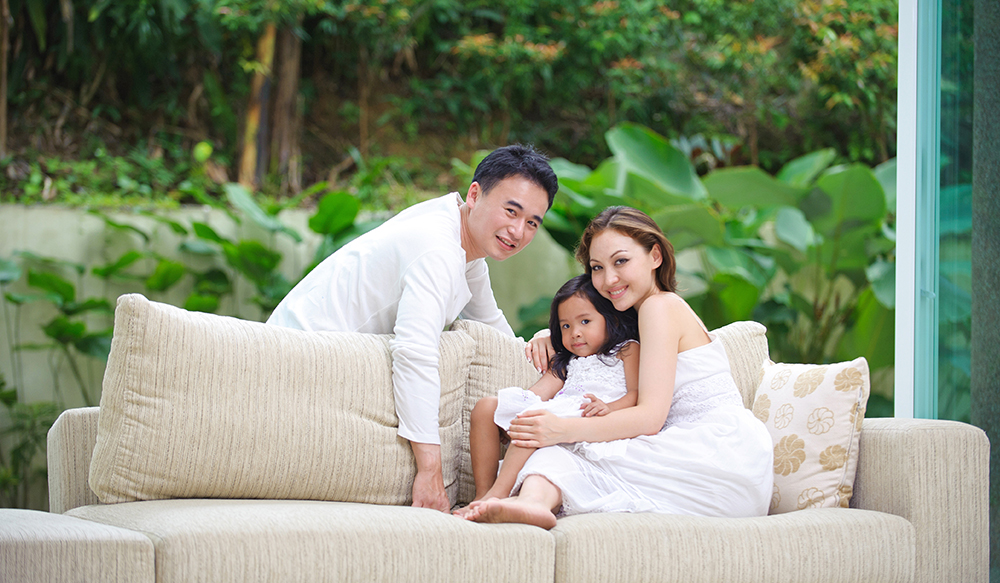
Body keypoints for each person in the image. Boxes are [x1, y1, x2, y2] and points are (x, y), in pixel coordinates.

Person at [266, 145, 558, 513]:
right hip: (298, 368)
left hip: (319, 363)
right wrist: (430, 470)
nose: (518, 231)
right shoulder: (438, 249)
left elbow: (494, 330)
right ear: (474, 194)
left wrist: (543, 342)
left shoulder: (462, 242)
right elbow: (415, 353)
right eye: (511, 211)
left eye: (532, 222)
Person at [459, 206, 774, 529]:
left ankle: (517, 499)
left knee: (560, 443)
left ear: (655, 256)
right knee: (555, 454)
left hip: (717, 457)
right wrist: (549, 335)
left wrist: (561, 428)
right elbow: (595, 332)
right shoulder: (642, 315)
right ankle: (530, 505)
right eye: (597, 267)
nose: (609, 279)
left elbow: (650, 418)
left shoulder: (659, 307)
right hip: (723, 459)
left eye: (621, 261)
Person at [456, 274, 639, 514]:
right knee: (485, 407)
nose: (575, 333)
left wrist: (610, 408)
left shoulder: (626, 349)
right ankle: (482, 493)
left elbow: (636, 393)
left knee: (533, 423)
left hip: (592, 421)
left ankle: (497, 494)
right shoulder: (567, 361)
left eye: (585, 321)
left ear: (611, 319)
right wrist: (511, 413)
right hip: (558, 416)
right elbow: (539, 392)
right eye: (566, 326)